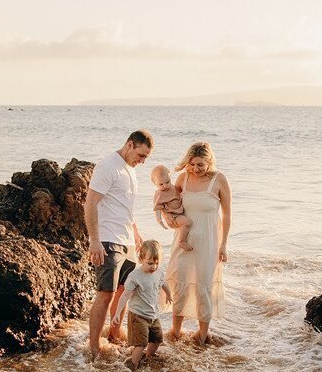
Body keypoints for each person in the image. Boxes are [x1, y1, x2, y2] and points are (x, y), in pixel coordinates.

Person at [85, 130, 153, 358]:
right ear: (130, 144)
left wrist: (135, 231)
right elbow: (91, 203)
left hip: (127, 241)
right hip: (107, 238)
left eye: (146, 158)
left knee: (126, 289)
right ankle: (93, 347)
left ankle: (114, 335)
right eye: (141, 155)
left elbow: (125, 206)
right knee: (106, 292)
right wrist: (94, 240)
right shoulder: (108, 166)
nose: (142, 161)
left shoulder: (131, 171)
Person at [164, 141, 231, 345]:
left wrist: (224, 244)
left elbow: (227, 215)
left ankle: (202, 335)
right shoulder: (182, 178)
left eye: (200, 164)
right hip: (183, 240)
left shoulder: (219, 180)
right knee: (180, 283)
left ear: (209, 161)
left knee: (203, 286)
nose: (195, 169)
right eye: (192, 164)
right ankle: (175, 332)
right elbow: (169, 205)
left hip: (209, 242)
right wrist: (170, 220)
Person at [111, 239, 172, 369]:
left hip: (153, 315)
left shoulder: (159, 271)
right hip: (138, 315)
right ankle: (133, 366)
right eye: (150, 263)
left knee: (156, 340)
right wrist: (117, 313)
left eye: (156, 263)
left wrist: (169, 294)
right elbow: (125, 295)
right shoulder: (135, 276)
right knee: (141, 343)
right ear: (141, 259)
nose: (153, 267)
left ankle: (148, 357)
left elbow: (163, 283)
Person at [151, 164, 193, 251]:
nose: (165, 186)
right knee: (188, 222)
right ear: (155, 183)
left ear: (170, 177)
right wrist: (159, 221)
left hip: (179, 213)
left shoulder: (173, 188)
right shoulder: (159, 194)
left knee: (187, 222)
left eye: (167, 182)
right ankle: (182, 242)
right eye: (161, 184)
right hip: (172, 217)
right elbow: (157, 208)